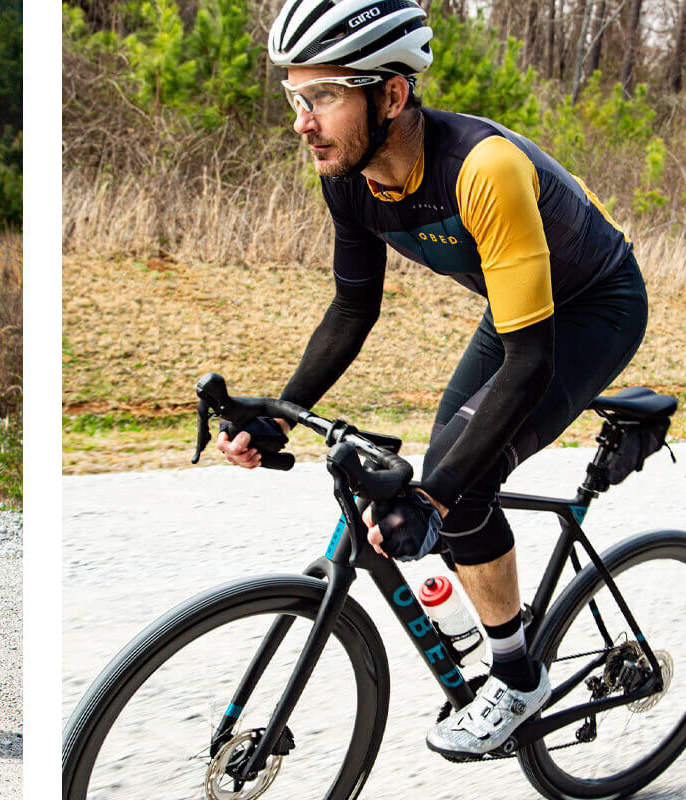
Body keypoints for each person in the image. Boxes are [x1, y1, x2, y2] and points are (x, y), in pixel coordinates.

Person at [222, 0, 647, 757]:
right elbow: (354, 308)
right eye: (296, 97)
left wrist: (437, 493)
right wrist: (280, 414)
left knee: (458, 485)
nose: (302, 122)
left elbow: (532, 362)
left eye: (322, 96)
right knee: (442, 471)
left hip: (594, 308)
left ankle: (517, 679)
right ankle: (470, 603)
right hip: (517, 312)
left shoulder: (482, 167)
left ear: (391, 95)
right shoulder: (347, 176)